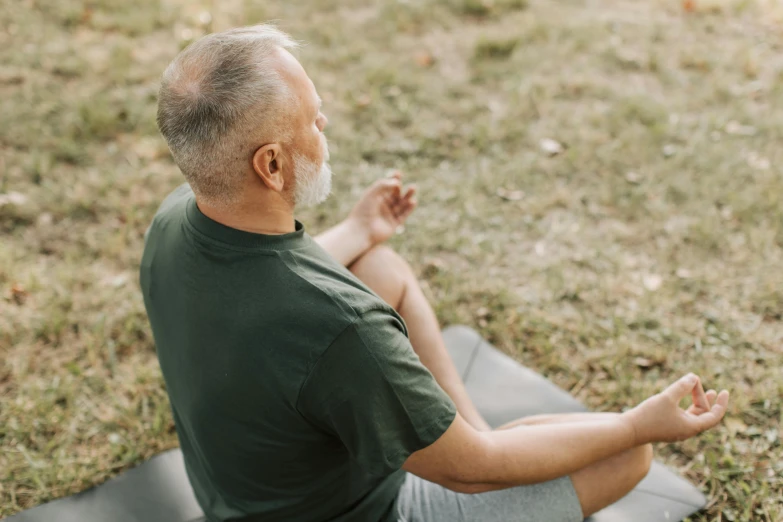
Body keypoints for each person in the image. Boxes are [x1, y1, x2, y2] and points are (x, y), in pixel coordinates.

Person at [140, 24, 730, 522]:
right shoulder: (340, 330)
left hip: (237, 497)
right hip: (372, 509)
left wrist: (358, 231)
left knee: (379, 264)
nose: (326, 130)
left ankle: (463, 425)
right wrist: (634, 425)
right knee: (626, 457)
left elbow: (262, 283)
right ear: (270, 164)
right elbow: (473, 475)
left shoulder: (172, 222)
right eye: (314, 122)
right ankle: (473, 434)